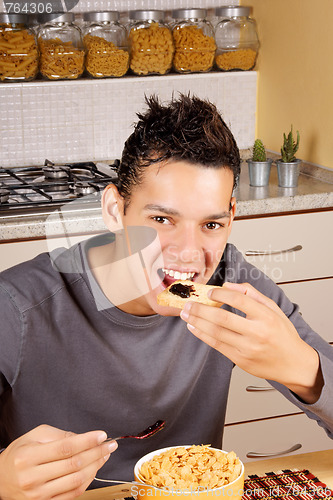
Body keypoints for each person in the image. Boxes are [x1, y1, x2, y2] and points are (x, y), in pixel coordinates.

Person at [0, 94, 332, 499]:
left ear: (231, 217)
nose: (189, 253)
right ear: (113, 209)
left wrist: (304, 368)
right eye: (161, 219)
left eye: (211, 223)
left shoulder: (235, 284)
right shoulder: (16, 307)